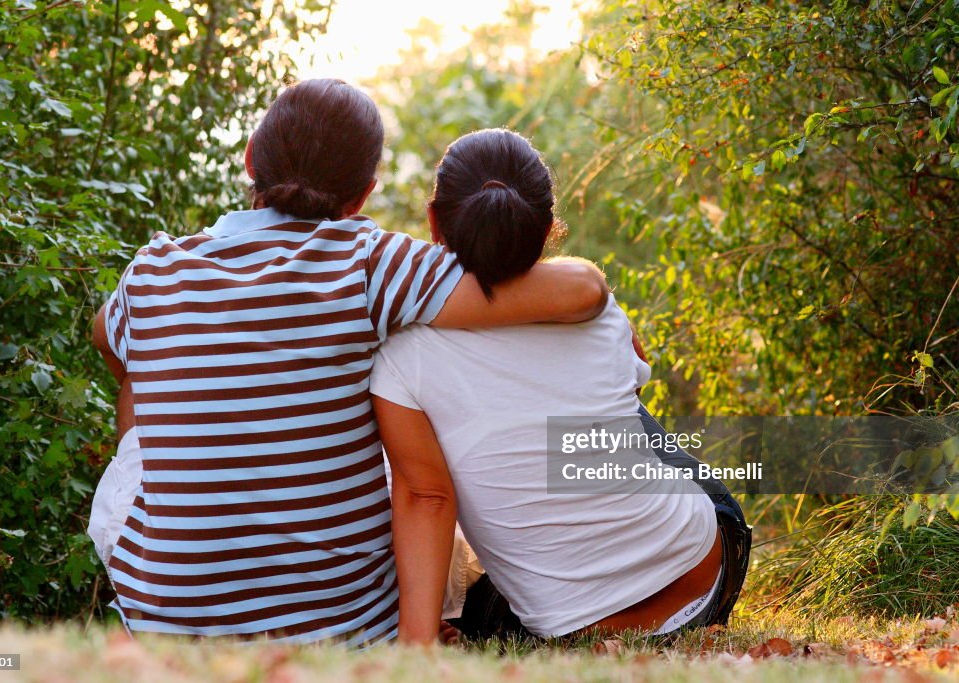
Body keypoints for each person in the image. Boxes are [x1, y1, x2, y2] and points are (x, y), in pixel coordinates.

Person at [88, 80, 610, 645]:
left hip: (167, 627)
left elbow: (106, 338)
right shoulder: (371, 264)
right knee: (403, 428)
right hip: (343, 633)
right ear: (363, 195)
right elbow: (580, 289)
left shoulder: (153, 270)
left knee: (138, 386)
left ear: (249, 159)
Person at [370, 128, 751, 645]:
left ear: (434, 221)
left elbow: (427, 498)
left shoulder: (399, 355)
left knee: (451, 460)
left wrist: (415, 648)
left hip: (572, 631)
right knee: (615, 412)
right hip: (706, 579)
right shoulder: (595, 308)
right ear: (549, 228)